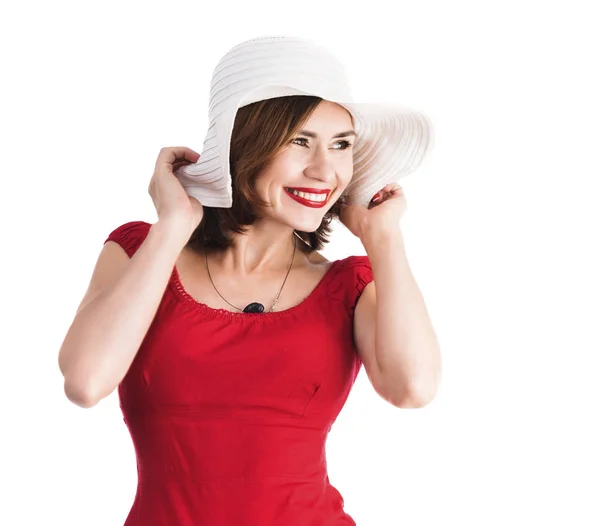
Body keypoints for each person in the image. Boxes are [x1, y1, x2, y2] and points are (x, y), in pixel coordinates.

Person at [58, 36, 442, 526]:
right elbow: (86, 381)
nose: (326, 170)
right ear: (245, 146)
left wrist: (383, 238)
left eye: (342, 145)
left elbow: (413, 388)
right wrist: (173, 225)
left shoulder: (350, 287)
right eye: (300, 141)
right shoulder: (140, 252)